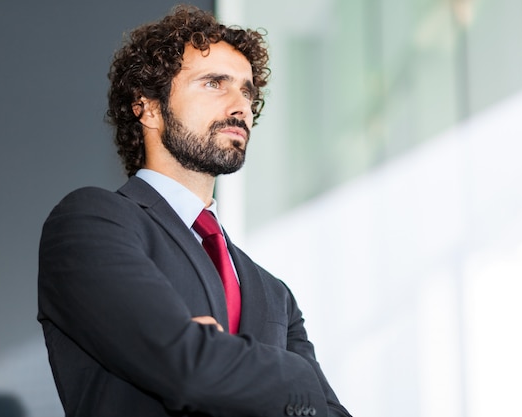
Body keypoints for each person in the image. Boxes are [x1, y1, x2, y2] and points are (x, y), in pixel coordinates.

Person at [37, 5, 352, 417]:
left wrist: (218, 350)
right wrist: (297, 376)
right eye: (214, 83)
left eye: (247, 91)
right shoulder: (90, 221)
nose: (240, 105)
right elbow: (187, 367)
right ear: (147, 107)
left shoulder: (273, 293)